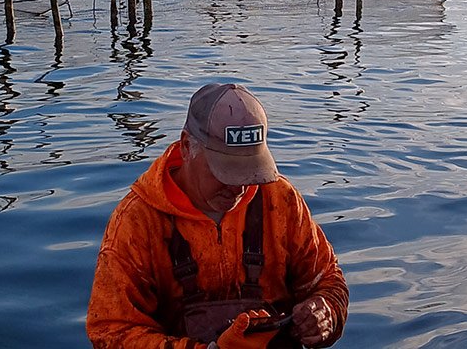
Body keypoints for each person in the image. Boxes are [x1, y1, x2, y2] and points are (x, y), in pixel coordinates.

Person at [87, 83, 348, 348]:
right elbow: (111, 332)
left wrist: (325, 313)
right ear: (187, 147)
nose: (239, 187)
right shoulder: (137, 221)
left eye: (251, 170)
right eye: (226, 171)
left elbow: (328, 280)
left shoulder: (281, 199)